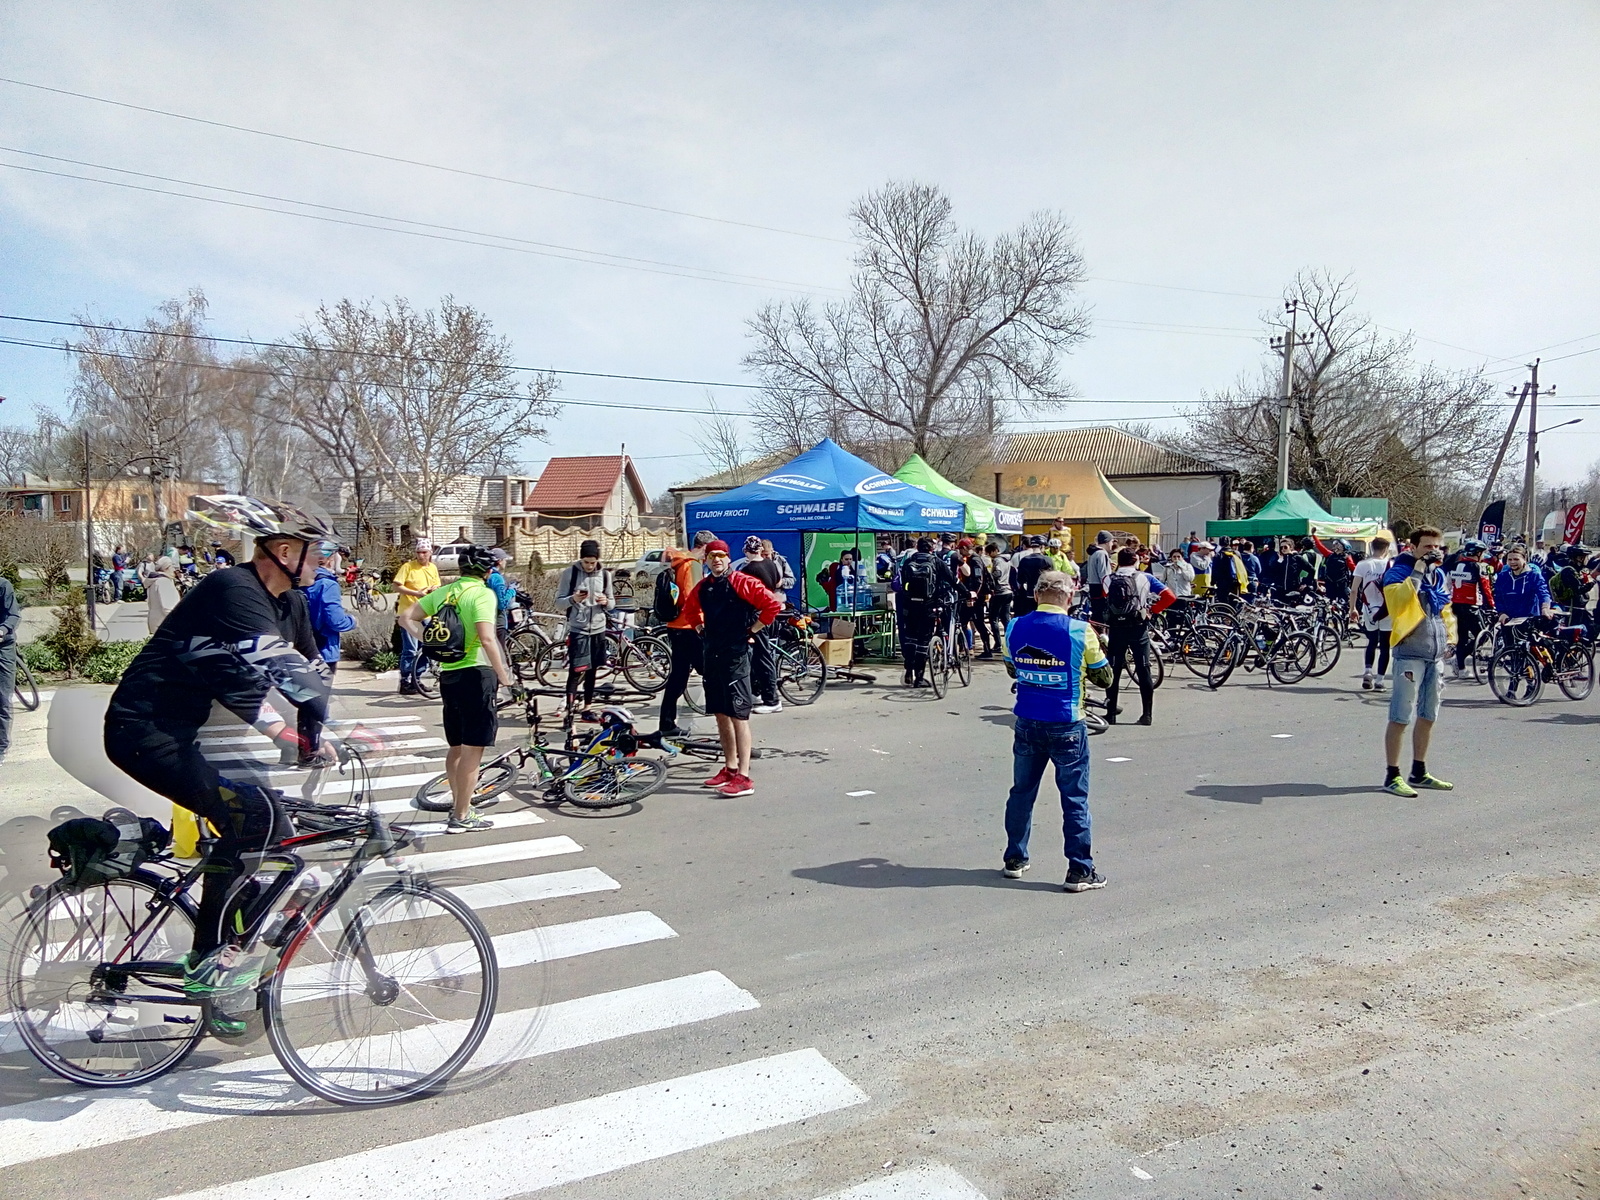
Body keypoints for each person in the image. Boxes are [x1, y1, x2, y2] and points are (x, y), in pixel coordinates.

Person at [104, 495, 336, 1034]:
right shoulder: (231, 590)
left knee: (272, 829)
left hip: (201, 735)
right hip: (146, 731)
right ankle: (207, 961)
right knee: (250, 820)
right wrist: (316, 726)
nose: (322, 562)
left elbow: (308, 669)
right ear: (283, 550)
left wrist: (310, 733)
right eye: (315, 553)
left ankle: (229, 959)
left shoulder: (290, 603)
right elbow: (278, 668)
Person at [999, 570, 1113, 890]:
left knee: (1022, 792)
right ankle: (1079, 870)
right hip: (1067, 722)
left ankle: (1015, 857)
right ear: (1070, 597)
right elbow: (1105, 679)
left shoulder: (1015, 626)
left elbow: (1012, 667)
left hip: (1027, 721)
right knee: (1074, 797)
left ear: (1037, 595)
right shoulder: (1080, 630)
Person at [399, 545, 516, 833]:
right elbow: (488, 640)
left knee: (456, 747)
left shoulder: (444, 592)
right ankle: (462, 815)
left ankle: (459, 802)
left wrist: (427, 641)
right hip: (477, 674)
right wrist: (504, 677)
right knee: (473, 751)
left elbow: (405, 617)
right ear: (488, 572)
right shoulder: (482, 594)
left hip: (449, 676)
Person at [679, 540, 782, 796]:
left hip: (736, 655)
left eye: (721, 556)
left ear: (728, 558)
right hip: (712, 654)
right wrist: (700, 629)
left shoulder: (742, 581)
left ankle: (744, 777)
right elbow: (690, 611)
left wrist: (753, 630)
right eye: (712, 556)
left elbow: (772, 605)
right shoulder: (704, 587)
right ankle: (730, 767)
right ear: (706, 560)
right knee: (720, 714)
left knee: (738, 715)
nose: (716, 560)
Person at [1379, 526, 1454, 797]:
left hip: (1435, 656)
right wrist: (1418, 570)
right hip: (1409, 653)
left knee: (1428, 715)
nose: (1433, 552)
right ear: (1413, 547)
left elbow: (1445, 609)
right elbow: (1399, 603)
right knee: (1400, 716)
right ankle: (1392, 775)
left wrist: (1451, 639)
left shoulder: (1440, 575)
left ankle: (1419, 772)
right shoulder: (1398, 572)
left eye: (1437, 547)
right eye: (1427, 547)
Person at [1102, 548, 1175, 726]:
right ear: (1135, 560)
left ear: (1118, 561)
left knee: (1114, 669)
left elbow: (1106, 595)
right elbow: (1170, 596)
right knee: (1143, 670)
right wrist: (1153, 610)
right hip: (1138, 627)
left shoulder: (1108, 578)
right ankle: (1147, 715)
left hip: (1116, 628)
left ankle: (1111, 713)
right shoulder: (1145, 578)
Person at [657, 530, 715, 736]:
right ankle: (721, 712)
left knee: (679, 675)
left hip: (676, 626)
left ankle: (666, 722)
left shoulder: (679, 562)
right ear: (704, 548)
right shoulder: (693, 565)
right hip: (689, 627)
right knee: (709, 669)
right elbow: (693, 597)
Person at [555, 539, 613, 715]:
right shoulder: (570, 573)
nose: (589, 566)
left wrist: (605, 602)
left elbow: (612, 603)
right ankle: (570, 709)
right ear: (581, 560)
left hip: (598, 628)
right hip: (578, 628)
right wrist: (573, 599)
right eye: (586, 562)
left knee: (592, 671)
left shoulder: (605, 575)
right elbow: (558, 603)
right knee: (576, 670)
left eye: (592, 563)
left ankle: (587, 707)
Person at [893, 537, 953, 687]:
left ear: (918, 548)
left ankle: (908, 672)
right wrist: (967, 593)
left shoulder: (907, 562)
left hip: (909, 606)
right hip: (928, 607)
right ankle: (919, 677)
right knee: (923, 642)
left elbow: (901, 584)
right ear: (931, 548)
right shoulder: (936, 562)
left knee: (910, 639)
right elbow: (952, 580)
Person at [738, 543, 785, 715]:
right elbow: (779, 581)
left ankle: (772, 700)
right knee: (759, 656)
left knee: (762, 657)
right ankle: (756, 692)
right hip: (768, 612)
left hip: (758, 614)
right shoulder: (770, 563)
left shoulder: (748, 569)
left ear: (746, 551)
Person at [392, 538, 440, 695]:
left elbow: (437, 585)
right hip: (409, 614)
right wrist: (416, 593)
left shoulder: (432, 568)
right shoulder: (408, 567)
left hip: (426, 613)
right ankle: (405, 681)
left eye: (424, 552)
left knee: (427, 648)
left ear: (430, 553)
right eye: (418, 552)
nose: (421, 555)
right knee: (411, 650)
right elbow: (396, 586)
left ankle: (416, 679)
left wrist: (434, 589)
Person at [1444, 539, 1495, 679]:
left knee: (1462, 637)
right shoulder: (1479, 566)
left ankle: (1461, 669)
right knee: (1483, 635)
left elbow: (1448, 585)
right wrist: (1491, 606)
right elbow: (1486, 589)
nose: (1484, 556)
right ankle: (1459, 659)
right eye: (1483, 553)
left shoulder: (1455, 565)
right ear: (1478, 553)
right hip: (1472, 606)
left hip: (1455, 605)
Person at [1352, 535, 1393, 691]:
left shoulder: (1363, 565)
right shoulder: (1391, 565)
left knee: (1371, 641)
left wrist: (1352, 608)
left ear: (1372, 548)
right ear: (1386, 549)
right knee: (1385, 645)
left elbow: (1355, 589)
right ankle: (1380, 680)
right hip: (1387, 608)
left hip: (1369, 608)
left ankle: (1368, 670)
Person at [306, 546, 357, 673]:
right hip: (324, 648)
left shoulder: (299, 580)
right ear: (330, 559)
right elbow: (336, 621)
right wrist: (352, 621)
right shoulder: (327, 584)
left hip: (299, 648)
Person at [1494, 543, 1554, 623]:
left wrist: (1545, 608)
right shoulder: (1502, 577)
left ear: (1524, 559)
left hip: (1529, 620)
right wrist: (1501, 613)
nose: (1512, 562)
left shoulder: (1534, 576)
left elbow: (1543, 593)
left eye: (1516, 559)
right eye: (1510, 559)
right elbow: (1498, 597)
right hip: (1508, 620)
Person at [956, 541, 993, 657]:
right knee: (966, 622)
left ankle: (985, 650)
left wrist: (973, 595)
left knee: (975, 623)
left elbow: (978, 579)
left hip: (975, 598)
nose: (960, 553)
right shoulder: (970, 559)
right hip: (971, 596)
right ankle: (965, 648)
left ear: (965, 548)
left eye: (961, 550)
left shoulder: (975, 560)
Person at [0, 570, 19, 763]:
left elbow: (13, 615)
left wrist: (2, 629)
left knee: (2, 697)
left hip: (2, 646)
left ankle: (1, 747)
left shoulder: (3, 586)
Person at [1010, 535, 1049, 617]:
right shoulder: (1047, 560)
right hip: (1044, 595)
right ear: (1041, 546)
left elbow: (1020, 579)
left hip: (1028, 593)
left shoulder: (1024, 560)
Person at [985, 540, 1013, 654]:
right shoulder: (1007, 560)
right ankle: (1008, 643)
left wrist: (988, 577)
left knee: (993, 619)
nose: (988, 556)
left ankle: (997, 644)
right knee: (1006, 619)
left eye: (989, 553)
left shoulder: (997, 560)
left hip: (999, 592)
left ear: (994, 551)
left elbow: (998, 573)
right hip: (1008, 591)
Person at [145, 556, 183, 633]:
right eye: (172, 566)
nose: (174, 570)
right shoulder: (163, 582)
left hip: (157, 623)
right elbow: (168, 607)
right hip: (165, 625)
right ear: (166, 568)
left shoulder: (156, 581)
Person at [1083, 531, 1113, 621]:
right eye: (1111, 542)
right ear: (1107, 542)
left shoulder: (1093, 553)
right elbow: (1104, 575)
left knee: (1096, 615)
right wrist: (1109, 590)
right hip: (1101, 589)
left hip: (1093, 586)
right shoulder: (1102, 553)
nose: (1112, 545)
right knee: (1102, 616)